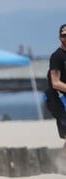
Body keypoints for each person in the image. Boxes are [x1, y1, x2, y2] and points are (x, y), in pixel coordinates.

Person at [45, 24, 66, 154]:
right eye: (64, 35)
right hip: (56, 98)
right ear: (60, 38)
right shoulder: (57, 56)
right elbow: (55, 82)